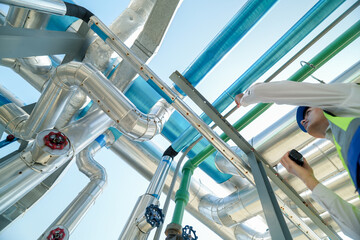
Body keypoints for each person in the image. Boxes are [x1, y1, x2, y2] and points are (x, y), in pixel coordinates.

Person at [235, 80, 360, 239]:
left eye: (307, 111)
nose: (303, 121)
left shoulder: (349, 97)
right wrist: (308, 178)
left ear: (321, 104)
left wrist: (244, 98)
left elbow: (283, 91)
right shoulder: (346, 149)